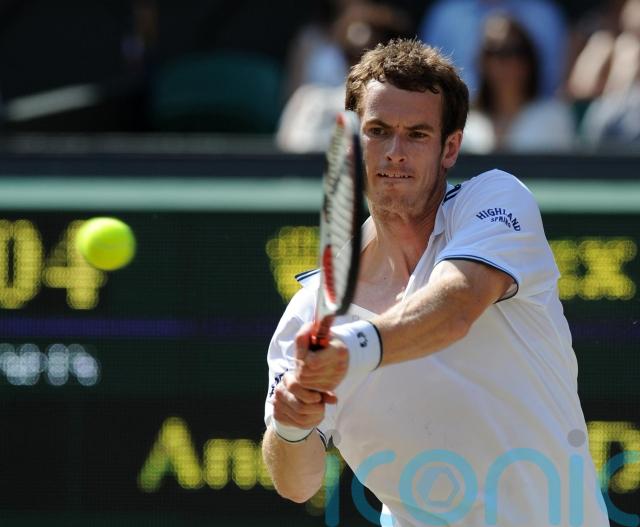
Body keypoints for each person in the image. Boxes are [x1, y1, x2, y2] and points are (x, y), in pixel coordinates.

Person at [262, 39, 610, 526]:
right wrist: (292, 425)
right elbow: (297, 484)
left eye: (417, 135)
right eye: (378, 131)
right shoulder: (308, 313)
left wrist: (353, 350)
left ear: (450, 148)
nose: (395, 153)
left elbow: (457, 306)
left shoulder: (496, 199)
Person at [462, 15, 575, 152]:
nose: (506, 62)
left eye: (516, 51)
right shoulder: (465, 122)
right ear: (482, 62)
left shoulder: (554, 116)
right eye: (494, 52)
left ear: (530, 60)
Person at [417, 0, 567, 97]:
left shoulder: (544, 15)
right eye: (493, 54)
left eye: (513, 51)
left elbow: (554, 83)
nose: (499, 64)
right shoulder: (445, 15)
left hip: (535, 121)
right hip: (458, 121)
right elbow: (429, 80)